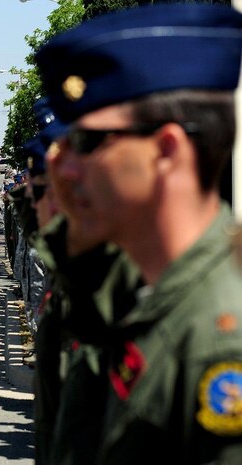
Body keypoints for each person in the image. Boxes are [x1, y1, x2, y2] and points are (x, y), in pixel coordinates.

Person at [34, 4, 242, 464]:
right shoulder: (141, 298)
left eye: (86, 143)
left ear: (166, 151)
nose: (61, 169)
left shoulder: (222, 339)